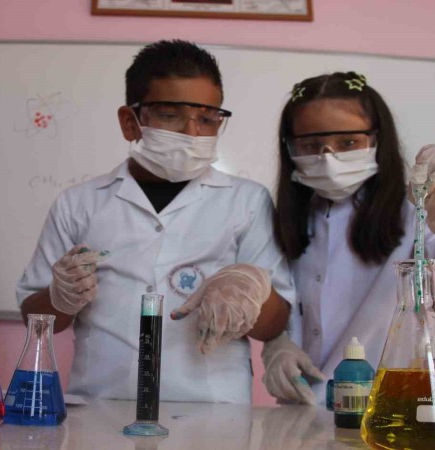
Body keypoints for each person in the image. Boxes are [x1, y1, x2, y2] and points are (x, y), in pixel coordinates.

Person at [17, 40, 295, 404]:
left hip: (215, 410)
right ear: (130, 122)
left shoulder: (247, 201)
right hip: (101, 404)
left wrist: (251, 289)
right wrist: (60, 296)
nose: (192, 132)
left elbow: (275, 324)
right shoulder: (79, 204)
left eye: (207, 118)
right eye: (170, 115)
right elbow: (34, 317)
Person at [261, 72, 435, 404]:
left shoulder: (418, 208)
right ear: (289, 147)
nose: (328, 158)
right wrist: (276, 343)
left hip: (394, 408)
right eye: (310, 145)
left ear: (379, 139)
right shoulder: (286, 220)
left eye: (348, 143)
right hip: (303, 410)